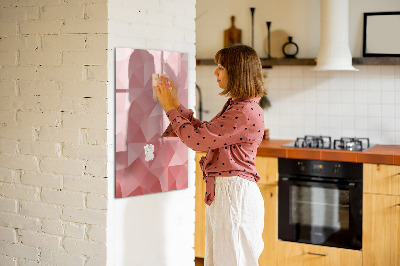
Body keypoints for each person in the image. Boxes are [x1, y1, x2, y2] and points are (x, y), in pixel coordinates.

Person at [153, 44, 266, 266]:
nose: (215, 72)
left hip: (234, 195)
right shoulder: (239, 106)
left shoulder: (243, 111)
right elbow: (205, 134)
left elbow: (197, 141)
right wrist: (175, 104)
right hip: (228, 193)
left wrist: (169, 108)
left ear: (237, 71)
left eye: (221, 67)